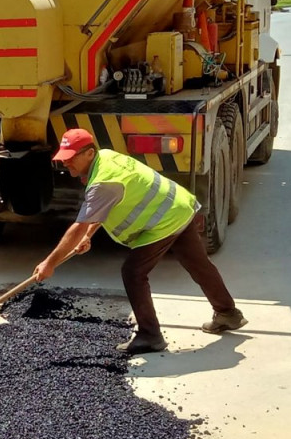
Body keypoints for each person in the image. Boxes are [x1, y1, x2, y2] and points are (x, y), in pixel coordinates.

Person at [32, 128, 246, 356]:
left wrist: (50, 263)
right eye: (64, 159)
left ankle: (150, 335)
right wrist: (89, 235)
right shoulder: (106, 157)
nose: (67, 164)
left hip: (164, 220)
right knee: (198, 265)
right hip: (178, 207)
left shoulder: (105, 181)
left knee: (133, 272)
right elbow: (101, 212)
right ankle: (228, 313)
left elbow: (78, 226)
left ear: (89, 153)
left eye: (71, 158)